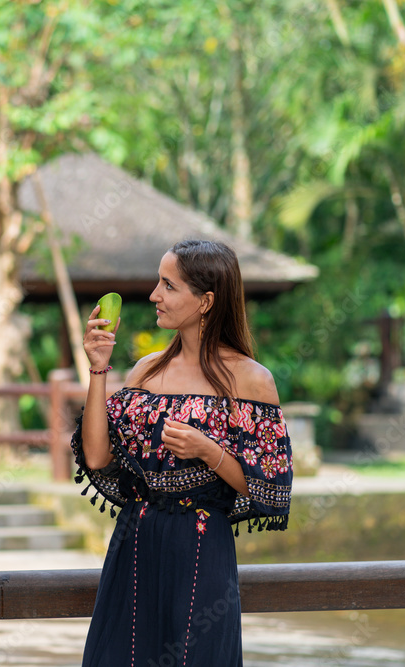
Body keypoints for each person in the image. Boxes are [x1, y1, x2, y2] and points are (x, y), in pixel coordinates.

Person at [72, 238, 293, 667]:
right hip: (133, 544)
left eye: (168, 286)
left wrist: (208, 451)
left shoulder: (252, 380)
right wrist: (98, 366)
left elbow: (273, 489)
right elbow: (97, 457)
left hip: (201, 549)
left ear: (206, 301)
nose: (154, 295)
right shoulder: (146, 371)